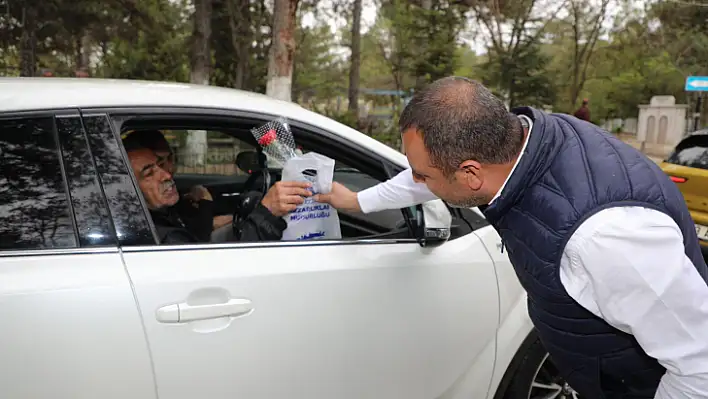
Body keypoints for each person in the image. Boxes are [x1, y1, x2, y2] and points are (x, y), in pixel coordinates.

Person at [316, 76, 708, 398]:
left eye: (424, 175)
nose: (417, 181)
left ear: (471, 174)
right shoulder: (524, 140)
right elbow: (429, 174)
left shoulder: (604, 238)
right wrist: (356, 200)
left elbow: (699, 366)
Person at [124, 140, 311, 244]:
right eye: (149, 173)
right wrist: (265, 214)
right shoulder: (164, 238)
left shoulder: (157, 215)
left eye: (161, 164)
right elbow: (231, 268)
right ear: (128, 188)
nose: (166, 174)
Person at [122, 130, 232, 238]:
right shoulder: (153, 229)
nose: (168, 172)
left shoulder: (167, 207)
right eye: (150, 172)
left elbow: (190, 230)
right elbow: (195, 246)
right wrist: (206, 204)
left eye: (170, 159)